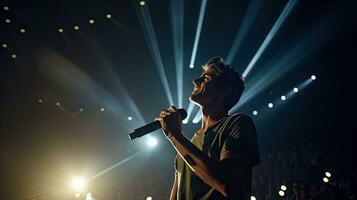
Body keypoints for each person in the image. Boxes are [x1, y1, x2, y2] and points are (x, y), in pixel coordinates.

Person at [155, 57, 260, 200]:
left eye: (205, 79)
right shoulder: (188, 143)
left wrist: (175, 136)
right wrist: (177, 138)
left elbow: (226, 183)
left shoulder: (238, 123)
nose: (195, 81)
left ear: (224, 90)